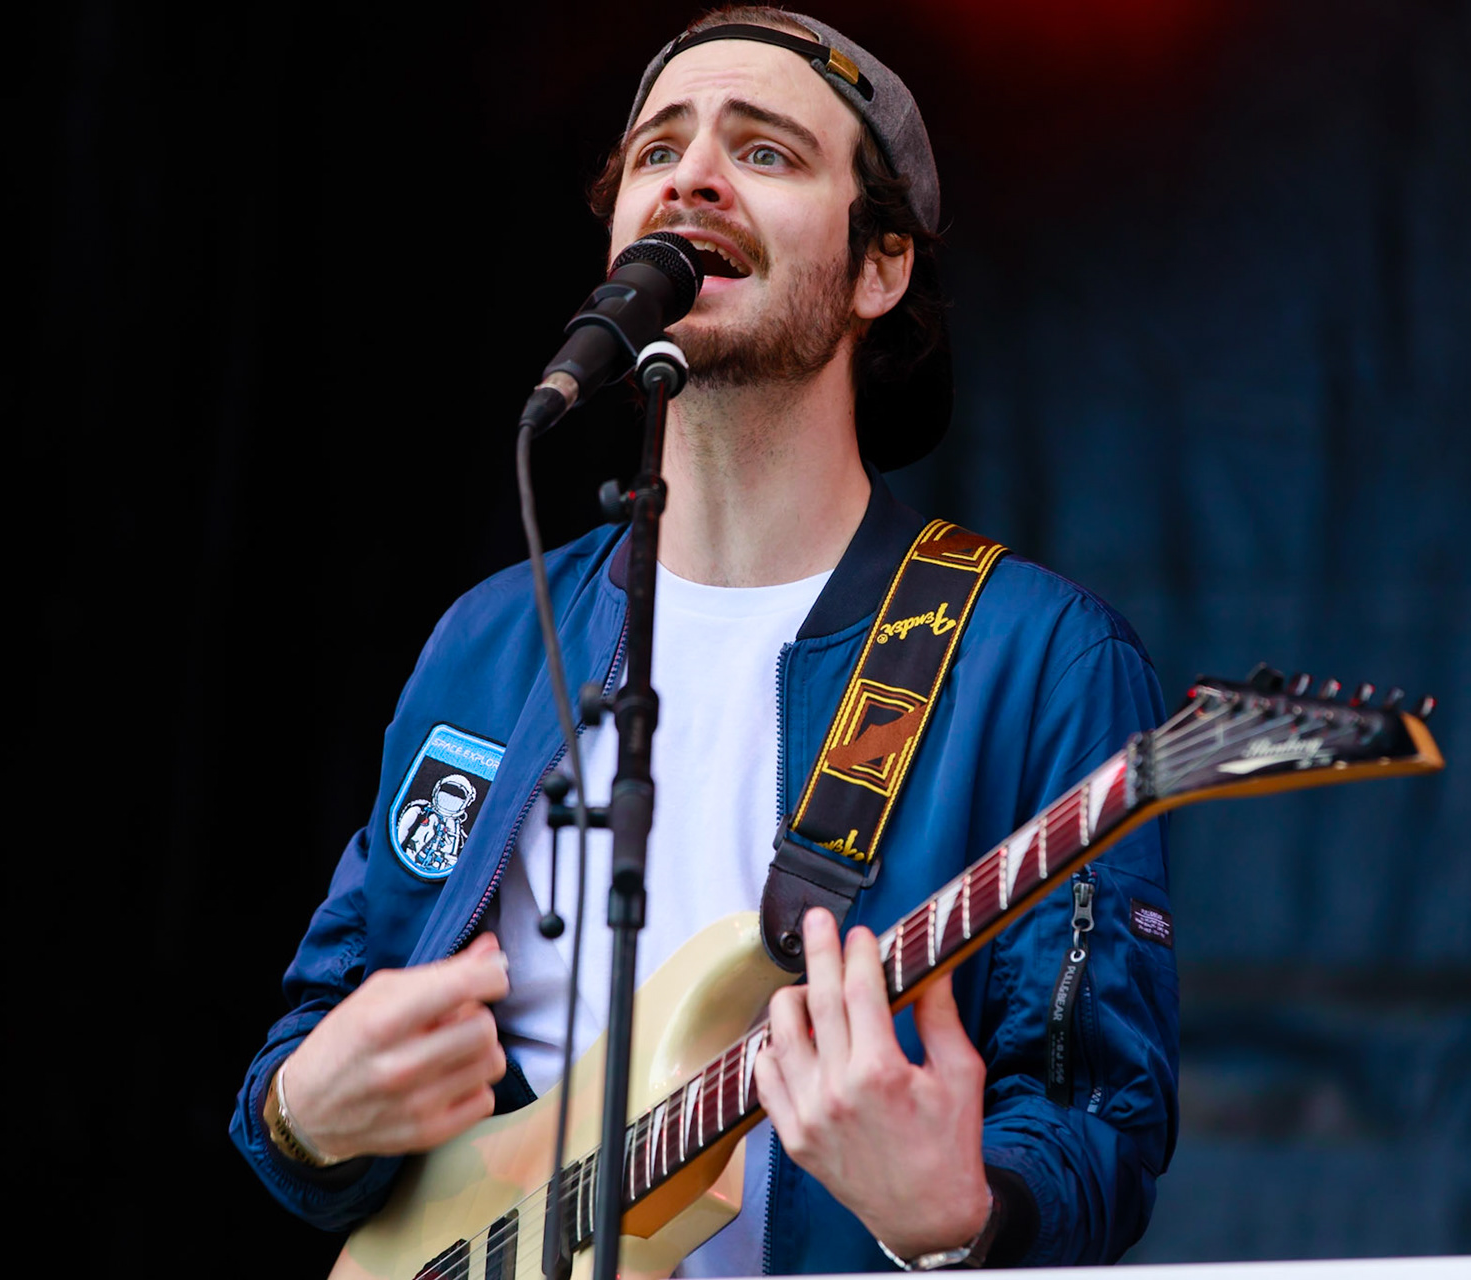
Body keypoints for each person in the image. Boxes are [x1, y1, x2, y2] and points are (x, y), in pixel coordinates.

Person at [231, 8, 1178, 1272]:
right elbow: (317, 1045)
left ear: (879, 265)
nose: (691, 176)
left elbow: (1099, 1117)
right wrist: (303, 1116)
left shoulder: (1037, 657)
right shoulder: (493, 640)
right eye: (656, 149)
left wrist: (956, 1214)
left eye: (768, 152)